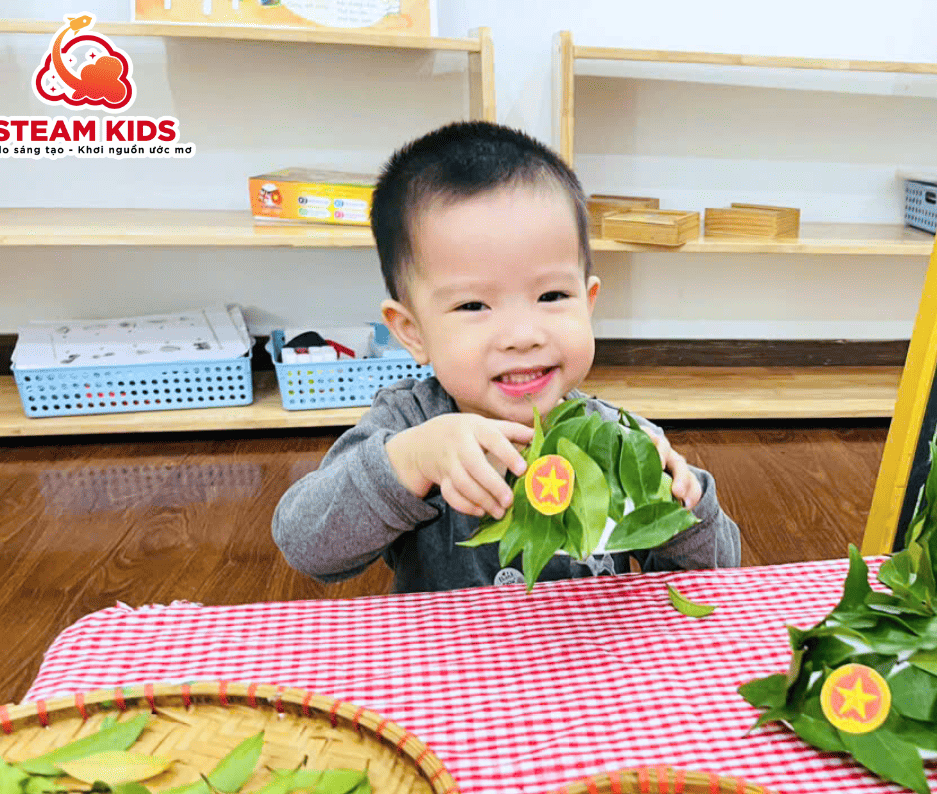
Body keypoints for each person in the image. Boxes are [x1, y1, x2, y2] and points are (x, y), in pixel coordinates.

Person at [272, 121, 741, 593]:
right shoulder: (409, 423)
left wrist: (683, 505)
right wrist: (412, 462)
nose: (521, 336)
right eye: (474, 305)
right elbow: (307, 544)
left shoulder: (616, 438)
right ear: (412, 332)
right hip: (449, 658)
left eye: (553, 295)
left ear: (589, 301)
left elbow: (716, 579)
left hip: (589, 656)